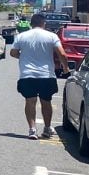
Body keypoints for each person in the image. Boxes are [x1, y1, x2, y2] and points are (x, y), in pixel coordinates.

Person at [9, 11, 69, 140]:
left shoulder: (22, 36)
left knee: (30, 101)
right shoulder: (52, 36)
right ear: (43, 23)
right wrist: (65, 68)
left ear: (31, 24)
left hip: (27, 74)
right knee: (46, 101)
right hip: (46, 75)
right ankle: (47, 128)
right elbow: (62, 54)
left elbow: (13, 53)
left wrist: (23, 57)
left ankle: (32, 129)